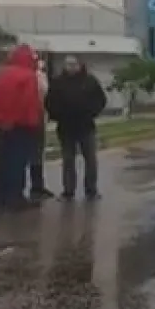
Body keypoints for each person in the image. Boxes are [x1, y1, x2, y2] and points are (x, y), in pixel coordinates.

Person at [45, 55, 107, 201]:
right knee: (68, 160)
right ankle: (68, 191)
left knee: (90, 159)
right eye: (68, 64)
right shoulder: (58, 82)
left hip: (86, 126)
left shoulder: (90, 81)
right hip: (66, 127)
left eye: (73, 64)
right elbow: (49, 102)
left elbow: (101, 100)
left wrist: (91, 112)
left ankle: (91, 190)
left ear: (80, 65)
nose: (70, 67)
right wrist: (58, 115)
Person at [0, 44, 45, 210]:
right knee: (18, 161)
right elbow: (28, 103)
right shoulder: (28, 76)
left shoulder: (0, 74)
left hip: (2, 124)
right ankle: (15, 198)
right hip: (21, 125)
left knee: (2, 160)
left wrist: (0, 119)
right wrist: (32, 122)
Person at [28, 58, 54, 200]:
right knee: (36, 152)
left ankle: (36, 186)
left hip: (32, 117)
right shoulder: (37, 76)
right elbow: (45, 93)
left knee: (34, 153)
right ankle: (36, 186)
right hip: (36, 116)